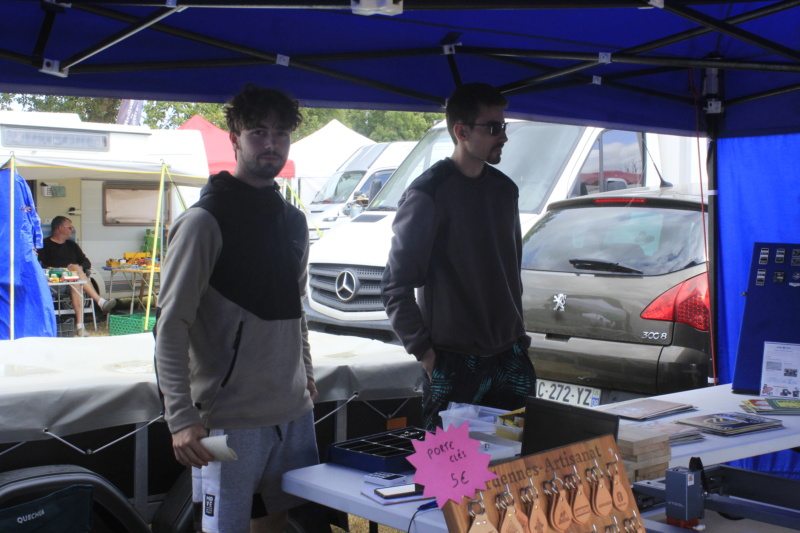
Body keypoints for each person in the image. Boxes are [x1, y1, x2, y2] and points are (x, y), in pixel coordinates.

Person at [154, 84, 318, 533]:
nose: (271, 144)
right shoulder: (204, 221)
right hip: (229, 420)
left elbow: (296, 309)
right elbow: (170, 326)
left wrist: (305, 374)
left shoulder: (293, 221)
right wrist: (181, 418)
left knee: (277, 523)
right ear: (234, 138)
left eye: (281, 134)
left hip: (293, 412)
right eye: (258, 132)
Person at [381, 82, 537, 431]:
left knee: (515, 474)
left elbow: (511, 274)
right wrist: (427, 355)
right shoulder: (428, 193)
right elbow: (395, 286)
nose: (504, 137)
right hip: (454, 363)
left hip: (510, 358)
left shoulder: (504, 190)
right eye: (493, 127)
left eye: (504, 126)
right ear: (461, 131)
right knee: (451, 482)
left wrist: (519, 342)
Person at [37, 216, 117, 336]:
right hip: (55, 283)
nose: (72, 230)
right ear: (60, 228)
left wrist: (79, 268)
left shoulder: (72, 245)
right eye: (70, 227)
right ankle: (100, 301)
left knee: (76, 276)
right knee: (76, 274)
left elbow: (86, 262)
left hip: (74, 281)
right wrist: (62, 270)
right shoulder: (45, 245)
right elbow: (41, 265)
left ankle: (80, 327)